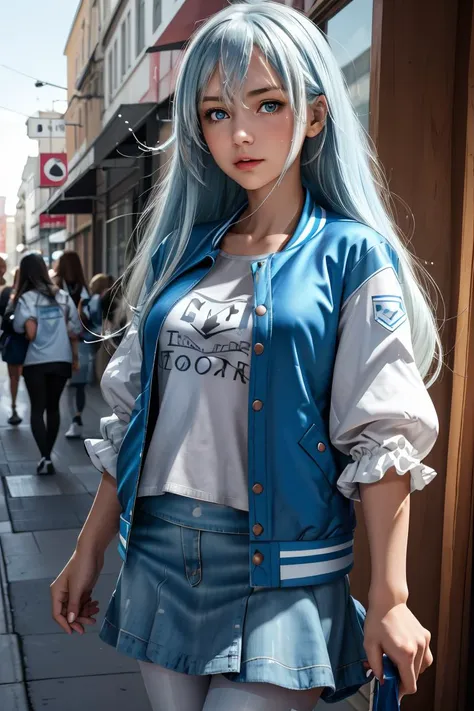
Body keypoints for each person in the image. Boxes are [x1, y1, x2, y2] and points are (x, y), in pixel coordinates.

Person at [50, 3, 440, 710]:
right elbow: (136, 419)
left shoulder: (351, 255)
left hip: (284, 572)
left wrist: (391, 593)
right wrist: (89, 548)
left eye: (267, 103)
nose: (241, 132)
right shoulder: (181, 255)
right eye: (216, 112)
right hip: (161, 555)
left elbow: (381, 433)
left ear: (316, 115)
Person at [13, 253, 81, 475]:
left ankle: (44, 457)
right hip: (61, 359)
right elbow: (75, 328)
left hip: (35, 361)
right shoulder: (61, 296)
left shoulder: (25, 299)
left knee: (37, 409)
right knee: (53, 408)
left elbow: (20, 329)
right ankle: (48, 455)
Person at [54, 252, 93, 439]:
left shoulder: (55, 286)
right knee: (79, 384)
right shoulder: (84, 287)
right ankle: (76, 419)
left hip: (61, 341)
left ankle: (72, 420)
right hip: (81, 340)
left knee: (69, 384)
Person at [0, 266, 23, 425]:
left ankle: (14, 406)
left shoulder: (8, 292)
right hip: (22, 341)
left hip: (13, 341)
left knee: (14, 376)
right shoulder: (9, 293)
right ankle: (14, 406)